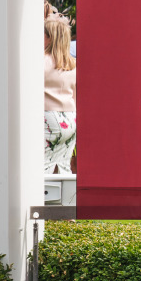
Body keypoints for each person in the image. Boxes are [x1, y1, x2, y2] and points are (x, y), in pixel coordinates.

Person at [43, 17, 77, 176]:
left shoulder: (39, 62)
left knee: (40, 167)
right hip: (70, 119)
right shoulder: (73, 64)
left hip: (47, 119)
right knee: (63, 167)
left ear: (50, 37)